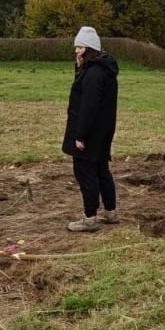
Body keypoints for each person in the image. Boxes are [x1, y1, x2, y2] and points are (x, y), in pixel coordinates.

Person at [63, 26, 120, 232]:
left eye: (79, 47)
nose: (76, 51)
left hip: (91, 133)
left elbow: (88, 106)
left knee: (86, 173)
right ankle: (111, 213)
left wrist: (80, 135)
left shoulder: (94, 74)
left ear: (89, 49)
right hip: (103, 131)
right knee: (101, 170)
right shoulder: (101, 70)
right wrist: (79, 68)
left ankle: (89, 218)